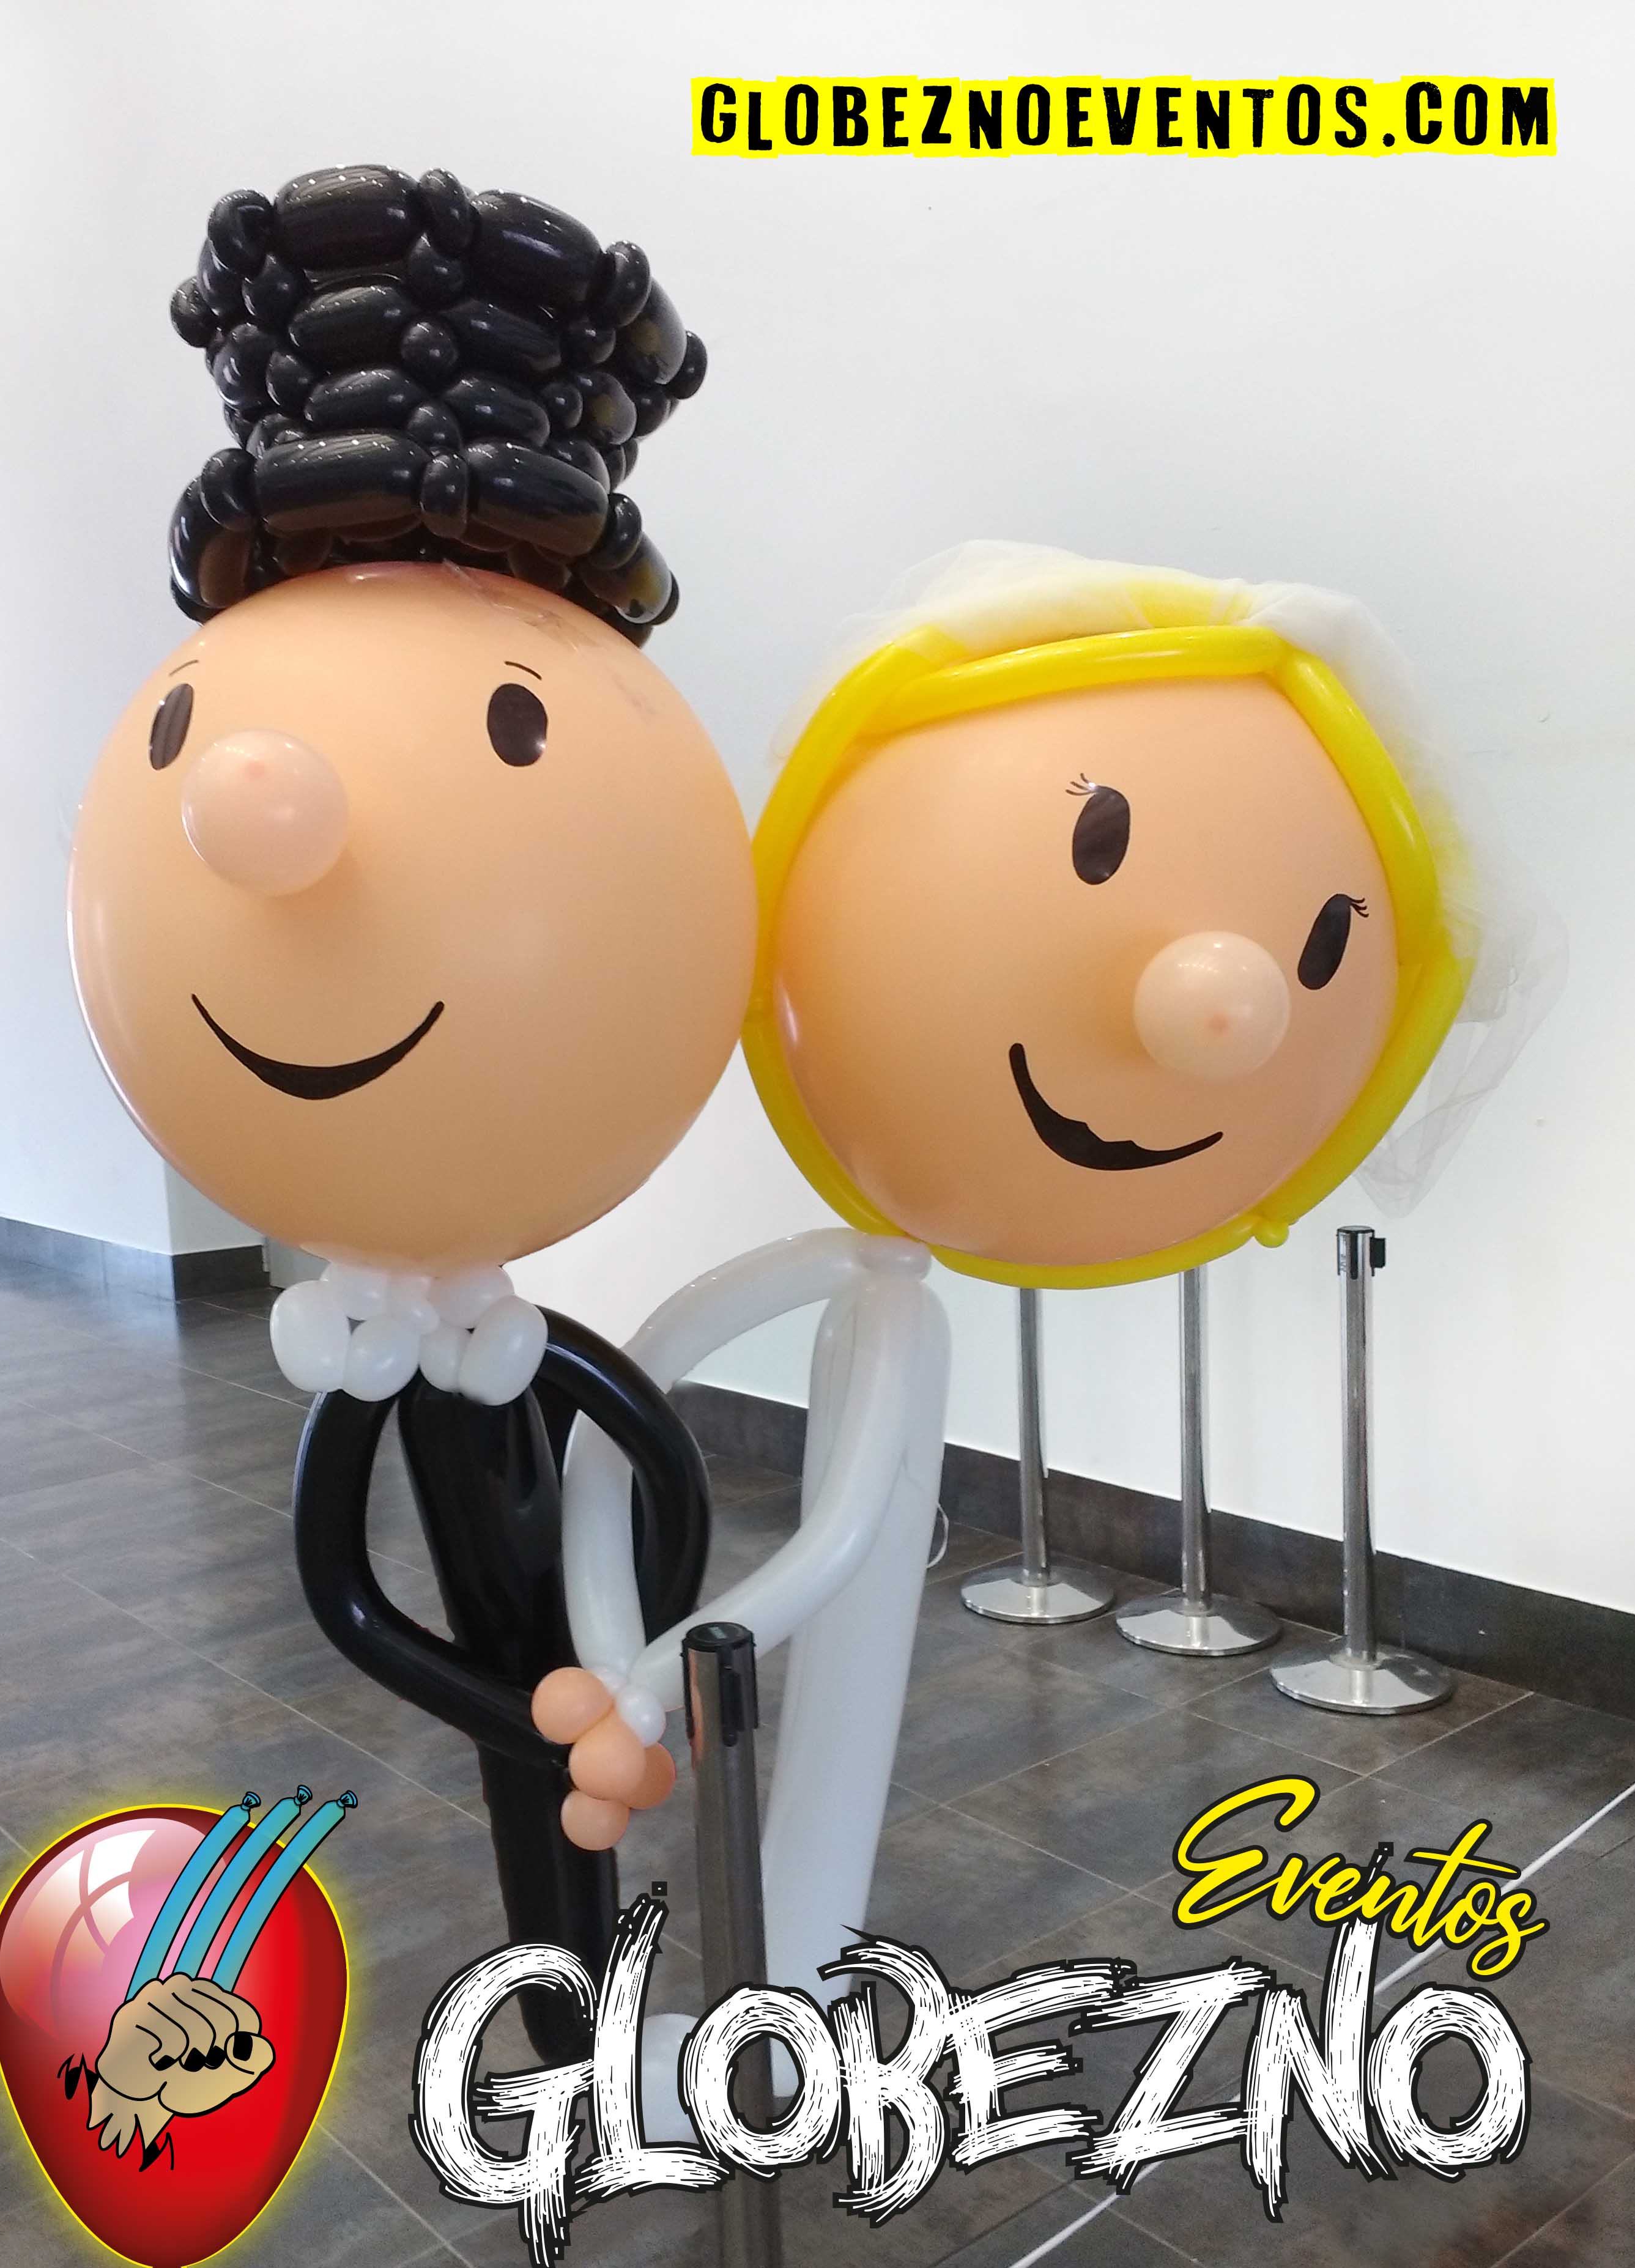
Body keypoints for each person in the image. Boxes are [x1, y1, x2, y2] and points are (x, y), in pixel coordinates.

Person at [540, 541, 1555, 2079]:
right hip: (697, 1623)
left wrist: (663, 1653)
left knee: (832, 1773)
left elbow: (797, 1515)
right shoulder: (878, 1292)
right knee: (824, 1773)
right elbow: (652, 1392)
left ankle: (788, 2012)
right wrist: (647, 1651)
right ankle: (786, 1997)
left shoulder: (894, 1315)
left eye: (1317, 949)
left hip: (706, 1637)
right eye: (1092, 844)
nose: (1218, 1005)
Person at [69, 163, 755, 2056]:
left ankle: (581, 2016)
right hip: (545, 1707)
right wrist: (523, 1708)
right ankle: (572, 2031)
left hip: (588, 1685)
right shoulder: (381, 1350)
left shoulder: (480, 1329)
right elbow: (344, 1597)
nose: (262, 821)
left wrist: (632, 1657)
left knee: (578, 1838)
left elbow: (656, 1461)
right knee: (562, 1845)